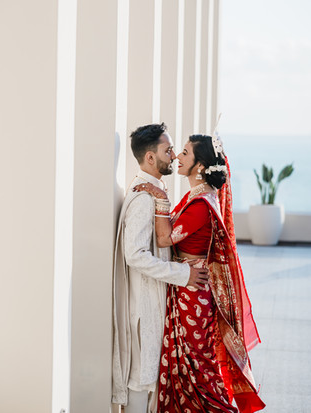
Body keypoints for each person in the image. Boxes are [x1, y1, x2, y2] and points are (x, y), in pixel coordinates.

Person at [134, 133, 266, 413]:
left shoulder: (202, 205)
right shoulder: (198, 196)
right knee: (193, 362)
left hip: (192, 292)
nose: (177, 157)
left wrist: (158, 198)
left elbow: (165, 239)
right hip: (189, 286)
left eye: (184, 153)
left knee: (197, 365)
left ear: (201, 166)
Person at [112, 123, 209, 413]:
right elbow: (135, 255)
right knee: (141, 384)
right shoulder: (143, 199)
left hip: (155, 302)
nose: (174, 156)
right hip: (145, 308)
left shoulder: (153, 192)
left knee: (149, 383)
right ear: (151, 158)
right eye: (168, 150)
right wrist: (184, 274)